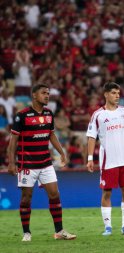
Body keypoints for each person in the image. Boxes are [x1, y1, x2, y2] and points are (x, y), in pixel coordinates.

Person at [7, 84, 76, 242]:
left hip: (45, 162)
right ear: (34, 96)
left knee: (54, 195)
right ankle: (27, 233)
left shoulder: (49, 114)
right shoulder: (22, 115)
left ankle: (59, 231)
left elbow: (51, 135)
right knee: (26, 198)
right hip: (27, 164)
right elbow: (13, 142)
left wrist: (61, 152)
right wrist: (12, 163)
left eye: (48, 93)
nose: (47, 95)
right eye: (43, 93)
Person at [86, 82, 124, 236]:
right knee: (107, 192)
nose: (117, 96)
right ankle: (108, 227)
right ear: (106, 94)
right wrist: (89, 158)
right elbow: (91, 137)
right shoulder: (98, 115)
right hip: (109, 161)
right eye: (113, 93)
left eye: (118, 93)